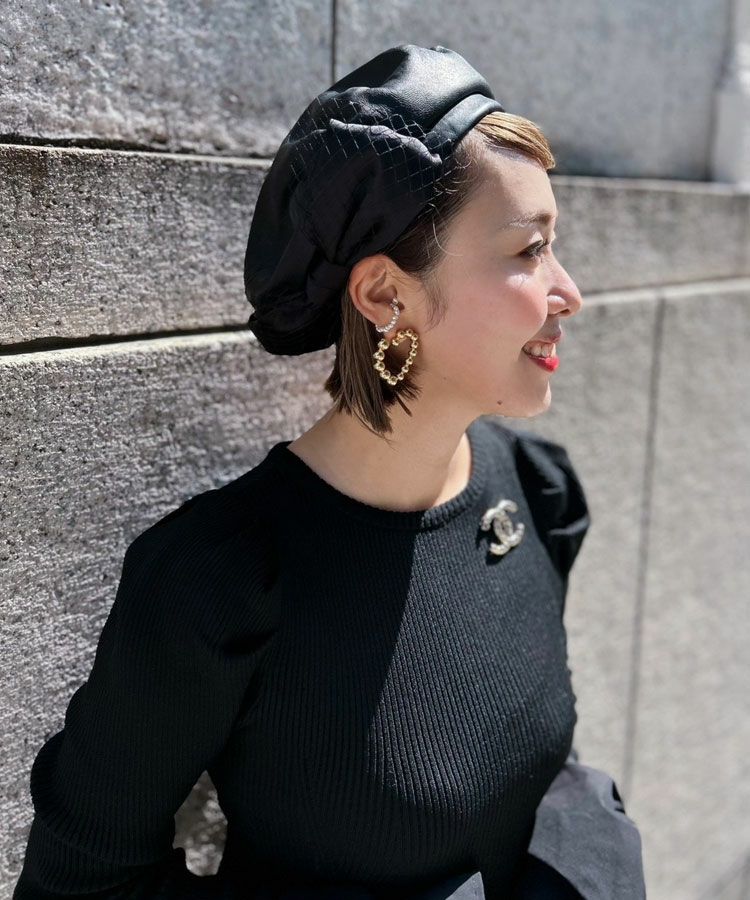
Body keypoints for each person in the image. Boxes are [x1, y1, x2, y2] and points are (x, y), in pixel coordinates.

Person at [13, 45, 646, 899]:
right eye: (529, 250)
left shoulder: (536, 490)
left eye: (553, 245)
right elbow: (82, 885)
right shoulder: (223, 580)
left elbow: (530, 778)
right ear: (385, 296)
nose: (568, 293)